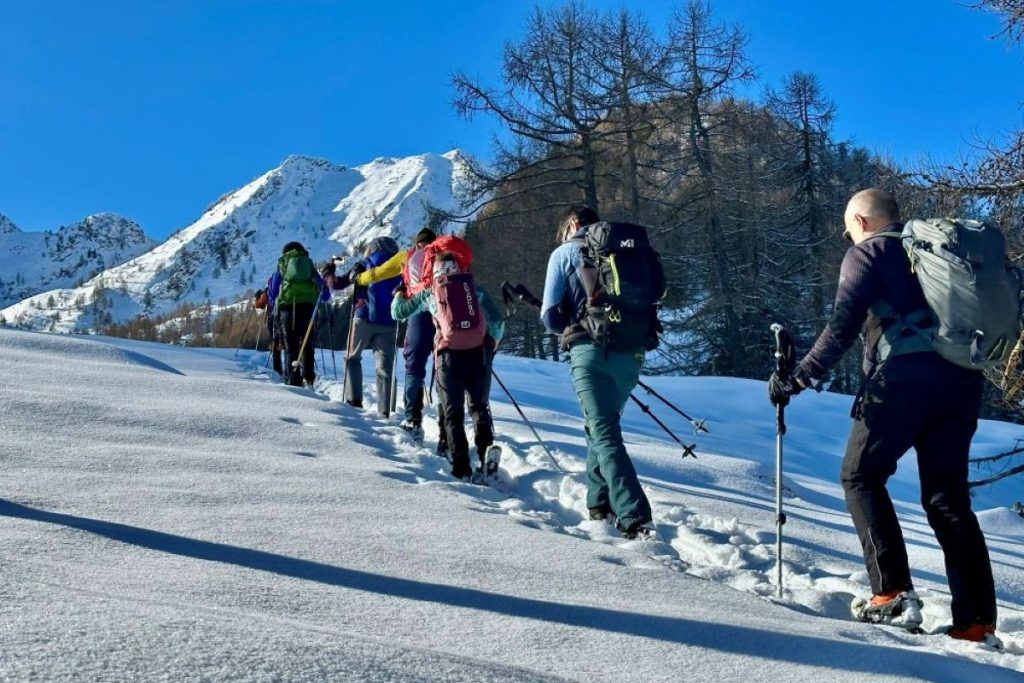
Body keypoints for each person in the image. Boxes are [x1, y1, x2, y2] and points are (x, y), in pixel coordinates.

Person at [768, 188, 998, 644]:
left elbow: (841, 327)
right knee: (948, 500)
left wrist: (797, 378)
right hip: (962, 383)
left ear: (861, 221)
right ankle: (975, 622)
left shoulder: (868, 253)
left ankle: (891, 593)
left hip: (902, 380)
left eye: (848, 229)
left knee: (860, 476)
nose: (848, 237)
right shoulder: (935, 252)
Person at [540, 206, 654, 539]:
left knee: (604, 432)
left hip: (591, 353)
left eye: (564, 229)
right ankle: (599, 504)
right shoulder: (624, 251)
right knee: (599, 425)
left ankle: (635, 516)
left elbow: (549, 317)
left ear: (573, 224)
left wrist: (571, 323)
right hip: (632, 353)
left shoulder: (565, 252)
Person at [391, 250, 504, 480]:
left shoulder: (430, 292)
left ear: (434, 271)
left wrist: (399, 294)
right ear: (458, 269)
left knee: (453, 414)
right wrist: (491, 343)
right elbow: (498, 322)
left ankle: (461, 468)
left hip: (448, 356)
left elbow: (398, 312)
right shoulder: (474, 290)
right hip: (479, 355)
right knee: (479, 407)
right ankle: (486, 455)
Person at [353, 228, 443, 448]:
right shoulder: (447, 255)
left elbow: (377, 274)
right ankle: (447, 432)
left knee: (414, 367)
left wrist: (359, 278)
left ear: (417, 243)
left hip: (418, 312)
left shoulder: (408, 256)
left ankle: (413, 421)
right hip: (445, 313)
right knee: (445, 369)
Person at [323, 237, 401, 416]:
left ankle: (354, 402)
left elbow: (337, 284)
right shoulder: (398, 266)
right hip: (389, 322)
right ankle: (385, 411)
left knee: (352, 358)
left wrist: (328, 273)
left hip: (363, 318)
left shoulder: (364, 264)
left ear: (372, 249)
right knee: (386, 368)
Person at [268, 241, 329, 388]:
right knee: (307, 345)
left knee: (291, 347)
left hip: (288, 310)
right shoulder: (309, 266)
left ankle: (293, 381)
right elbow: (325, 294)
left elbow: (273, 293)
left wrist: (272, 296)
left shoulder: (282, 265)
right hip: (308, 309)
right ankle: (309, 380)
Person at [254, 278, 283, 377]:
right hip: (289, 316)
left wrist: (257, 297)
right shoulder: (290, 286)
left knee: (275, 343)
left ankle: (278, 370)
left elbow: (259, 305)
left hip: (273, 317)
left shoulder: (269, 290)